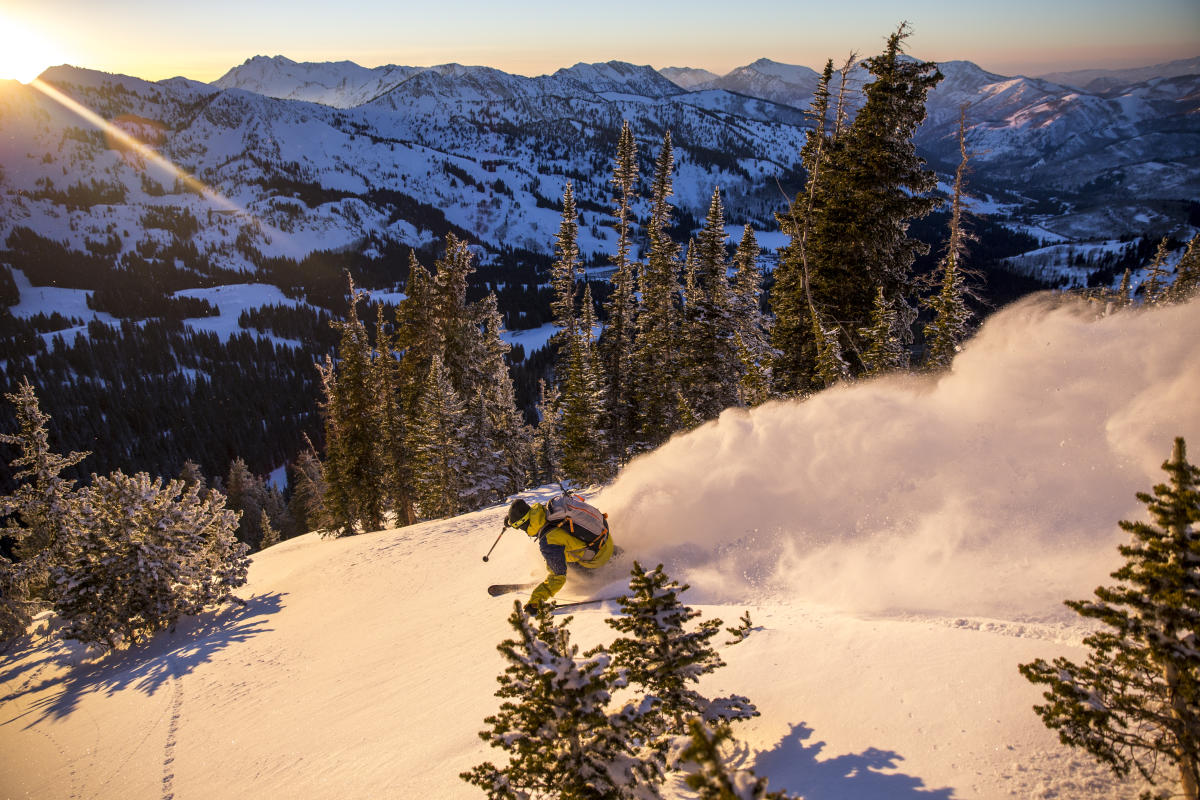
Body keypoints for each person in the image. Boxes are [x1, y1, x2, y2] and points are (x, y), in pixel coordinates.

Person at [507, 497, 615, 612]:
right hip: (605, 541)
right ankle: (618, 557)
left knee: (559, 567)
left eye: (520, 528)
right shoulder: (546, 511)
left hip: (596, 561)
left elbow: (558, 576)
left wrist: (536, 600)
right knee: (560, 551)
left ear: (524, 524)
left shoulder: (548, 540)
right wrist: (511, 520)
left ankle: (600, 580)